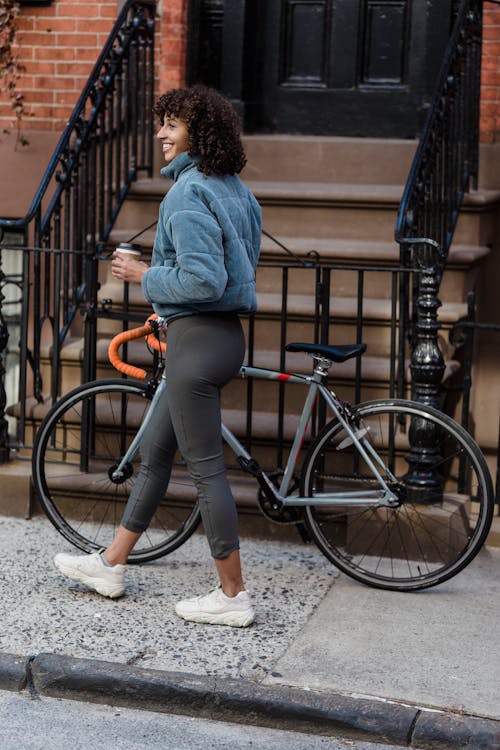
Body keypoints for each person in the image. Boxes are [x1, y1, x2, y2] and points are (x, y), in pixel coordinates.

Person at [53, 85, 262, 627]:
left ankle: (233, 595)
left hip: (196, 343)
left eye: (173, 124)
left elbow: (203, 277)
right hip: (219, 336)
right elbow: (230, 274)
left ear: (201, 131)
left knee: (208, 473)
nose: (162, 133)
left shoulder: (188, 193)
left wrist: (144, 276)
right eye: (161, 123)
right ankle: (111, 564)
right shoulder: (235, 188)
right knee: (155, 456)